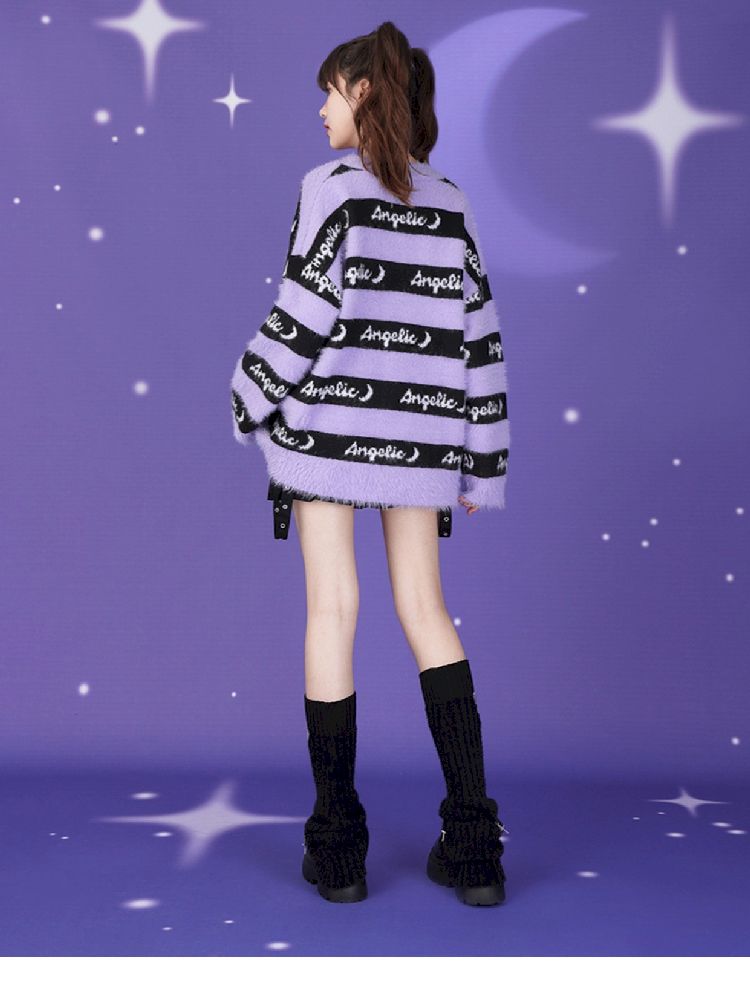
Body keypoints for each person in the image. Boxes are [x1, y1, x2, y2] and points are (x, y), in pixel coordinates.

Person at [229, 21, 510, 906]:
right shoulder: (452, 202)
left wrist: (247, 395)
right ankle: (476, 850)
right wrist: (483, 463)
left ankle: (339, 850)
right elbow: (480, 338)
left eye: (329, 92)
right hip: (421, 444)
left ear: (362, 92)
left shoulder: (329, 191)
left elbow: (302, 313)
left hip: (327, 439)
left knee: (333, 609)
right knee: (427, 611)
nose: (320, 110)